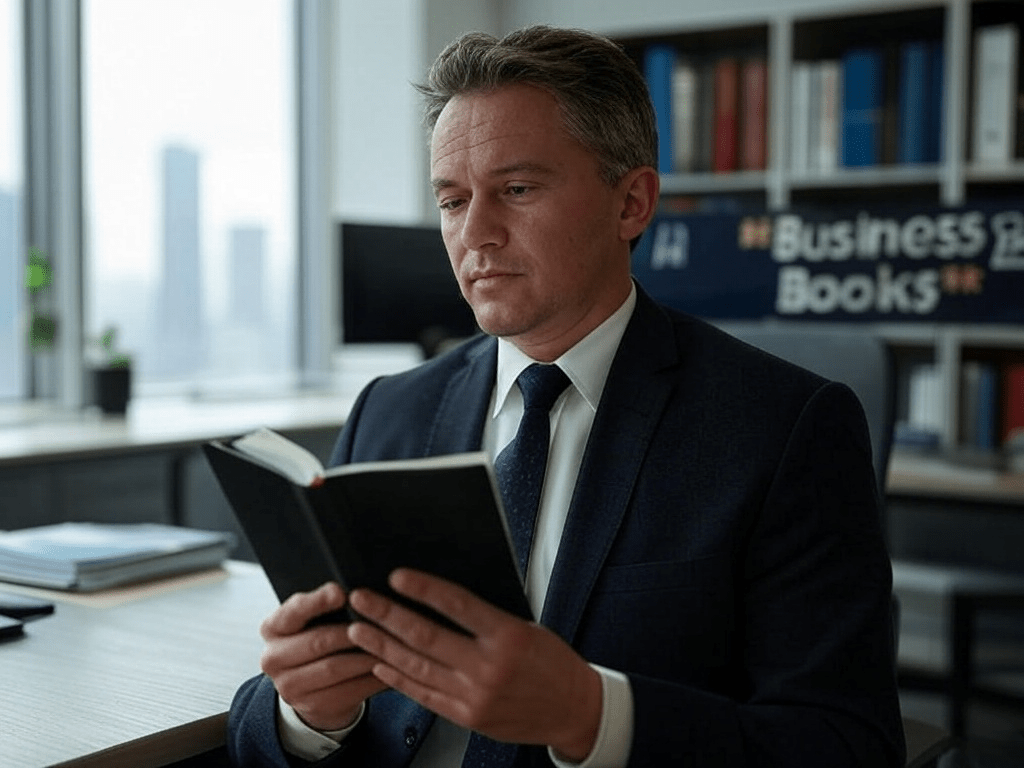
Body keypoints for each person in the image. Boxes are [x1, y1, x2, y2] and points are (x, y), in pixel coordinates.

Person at [227, 25, 906, 767]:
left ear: (631, 204)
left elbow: (847, 744)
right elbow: (275, 715)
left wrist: (593, 715)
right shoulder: (389, 411)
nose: (475, 234)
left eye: (516, 190)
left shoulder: (787, 429)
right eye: (452, 202)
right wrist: (308, 714)